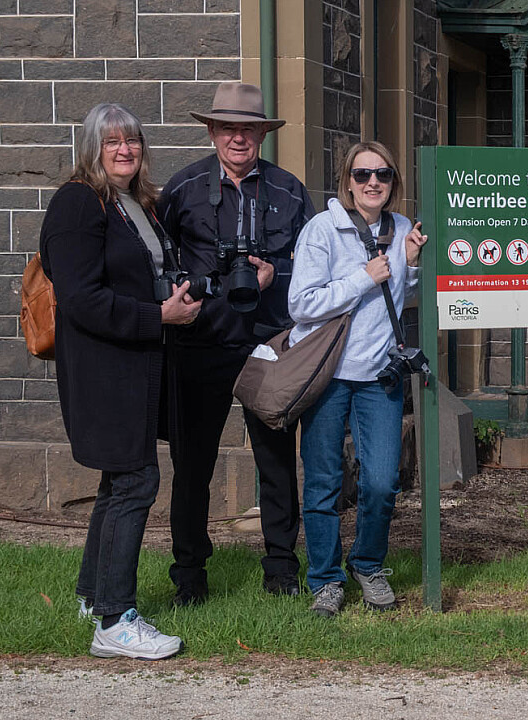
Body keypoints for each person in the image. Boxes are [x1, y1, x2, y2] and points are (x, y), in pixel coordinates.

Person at [44, 103, 202, 658]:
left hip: (139, 364)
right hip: (104, 370)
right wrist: (156, 317)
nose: (124, 150)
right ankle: (115, 622)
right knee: (137, 483)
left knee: (119, 483)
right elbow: (81, 298)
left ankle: (93, 595)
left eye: (132, 140)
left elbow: (146, 273)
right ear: (92, 148)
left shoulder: (135, 204)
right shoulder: (77, 203)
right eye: (112, 141)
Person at [159, 82, 315, 604]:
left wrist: (279, 271)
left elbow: (315, 267)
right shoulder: (182, 189)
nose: (238, 138)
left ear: (262, 135)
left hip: (267, 346)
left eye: (248, 129)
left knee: (274, 461)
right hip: (199, 343)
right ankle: (189, 575)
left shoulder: (289, 192)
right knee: (193, 464)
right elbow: (159, 261)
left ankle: (281, 566)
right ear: (212, 131)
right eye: (228, 128)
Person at [288, 141, 427, 617]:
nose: (373, 183)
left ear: (393, 183)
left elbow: (402, 298)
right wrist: (362, 277)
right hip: (327, 373)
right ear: (348, 180)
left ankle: (367, 564)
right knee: (324, 481)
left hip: (380, 373)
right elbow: (300, 304)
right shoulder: (322, 230)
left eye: (383, 175)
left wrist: (411, 263)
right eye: (364, 174)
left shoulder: (402, 228)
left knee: (383, 481)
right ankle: (326, 579)